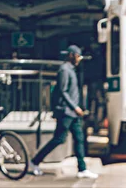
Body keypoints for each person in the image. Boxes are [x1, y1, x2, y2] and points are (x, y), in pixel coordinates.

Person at [30, 45, 98, 179]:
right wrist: (75, 107)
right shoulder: (64, 70)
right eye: (78, 56)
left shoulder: (71, 70)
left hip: (72, 113)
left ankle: (82, 169)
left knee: (79, 138)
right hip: (66, 112)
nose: (79, 59)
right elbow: (63, 91)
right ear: (72, 55)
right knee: (59, 139)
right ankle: (34, 161)